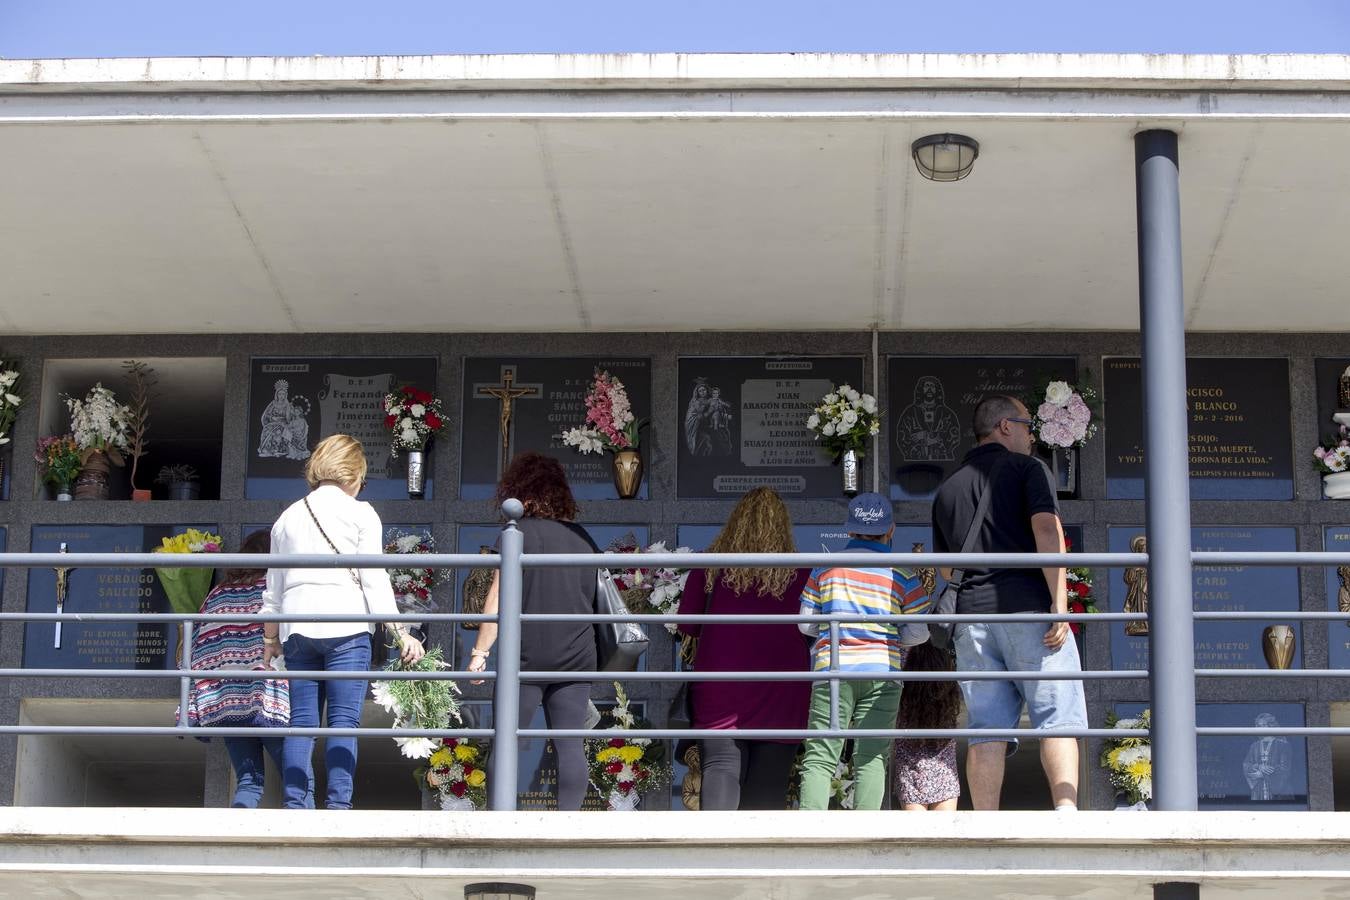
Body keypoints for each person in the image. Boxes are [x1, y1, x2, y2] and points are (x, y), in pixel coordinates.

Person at [930, 394, 1087, 811]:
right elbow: (1047, 534)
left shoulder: (948, 488)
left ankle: (985, 825)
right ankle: (1067, 817)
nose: (1031, 436)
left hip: (972, 621)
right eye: (1026, 426)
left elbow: (946, 570)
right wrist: (1059, 604)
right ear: (1004, 426)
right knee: (1058, 718)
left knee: (986, 729)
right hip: (1029, 611)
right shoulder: (1028, 469)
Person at [261, 433, 425, 810]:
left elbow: (274, 586)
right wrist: (400, 634)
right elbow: (373, 577)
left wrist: (270, 639)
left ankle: (296, 805)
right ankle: (338, 807)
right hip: (348, 626)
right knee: (342, 721)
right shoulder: (361, 513)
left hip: (297, 626)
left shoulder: (287, 517)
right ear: (353, 473)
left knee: (302, 722)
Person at [466, 452, 597, 811]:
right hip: (576, 654)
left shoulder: (516, 533)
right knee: (570, 744)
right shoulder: (582, 537)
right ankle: (567, 827)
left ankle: (500, 821)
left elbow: (497, 598)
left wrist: (480, 652)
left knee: (507, 741)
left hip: (524, 657)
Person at [677, 486, 811, 810]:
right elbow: (813, 629)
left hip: (721, 688)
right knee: (768, 786)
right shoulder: (803, 570)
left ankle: (715, 854)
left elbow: (687, 625)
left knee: (719, 769)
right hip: (783, 692)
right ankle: (759, 859)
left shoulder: (709, 567)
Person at [796, 492, 932, 810]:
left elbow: (805, 625)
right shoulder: (902, 573)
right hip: (882, 672)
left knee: (821, 755)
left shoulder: (825, 569)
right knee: (872, 755)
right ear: (891, 530)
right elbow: (919, 633)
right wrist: (890, 639)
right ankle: (865, 832)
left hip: (834, 671)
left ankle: (808, 834)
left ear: (849, 530)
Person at [184, 529, 291, 808]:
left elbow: (195, 643)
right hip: (269, 695)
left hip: (225, 699)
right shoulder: (274, 590)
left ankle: (238, 833)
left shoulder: (218, 594)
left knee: (249, 780)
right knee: (296, 776)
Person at [892, 641, 962, 811]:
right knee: (944, 834)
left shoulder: (902, 663)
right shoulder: (947, 677)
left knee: (916, 834)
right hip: (944, 770)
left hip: (910, 770)